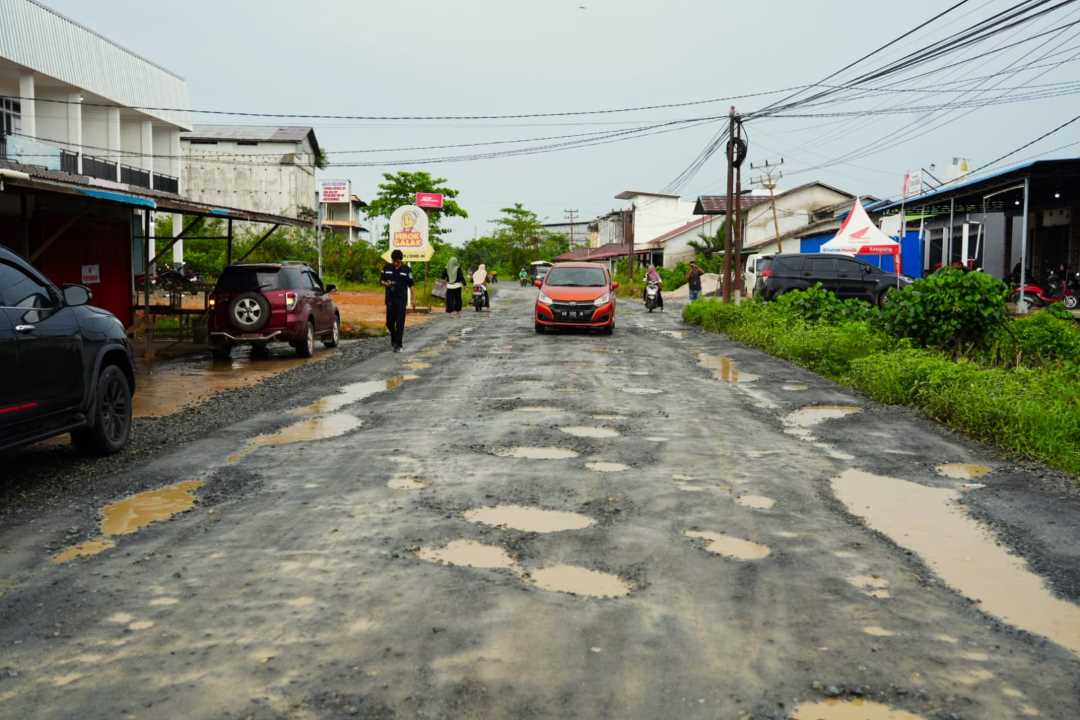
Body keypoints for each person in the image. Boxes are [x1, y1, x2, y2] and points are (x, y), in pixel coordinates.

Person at [381, 249, 413, 352]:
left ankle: (399, 345)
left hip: (401, 300)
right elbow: (381, 280)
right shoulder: (386, 268)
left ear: (401, 260)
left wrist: (413, 299)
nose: (395, 263)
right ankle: (394, 337)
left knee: (400, 323)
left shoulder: (407, 269)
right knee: (389, 323)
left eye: (398, 261)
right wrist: (386, 284)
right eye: (394, 261)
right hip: (390, 299)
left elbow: (411, 285)